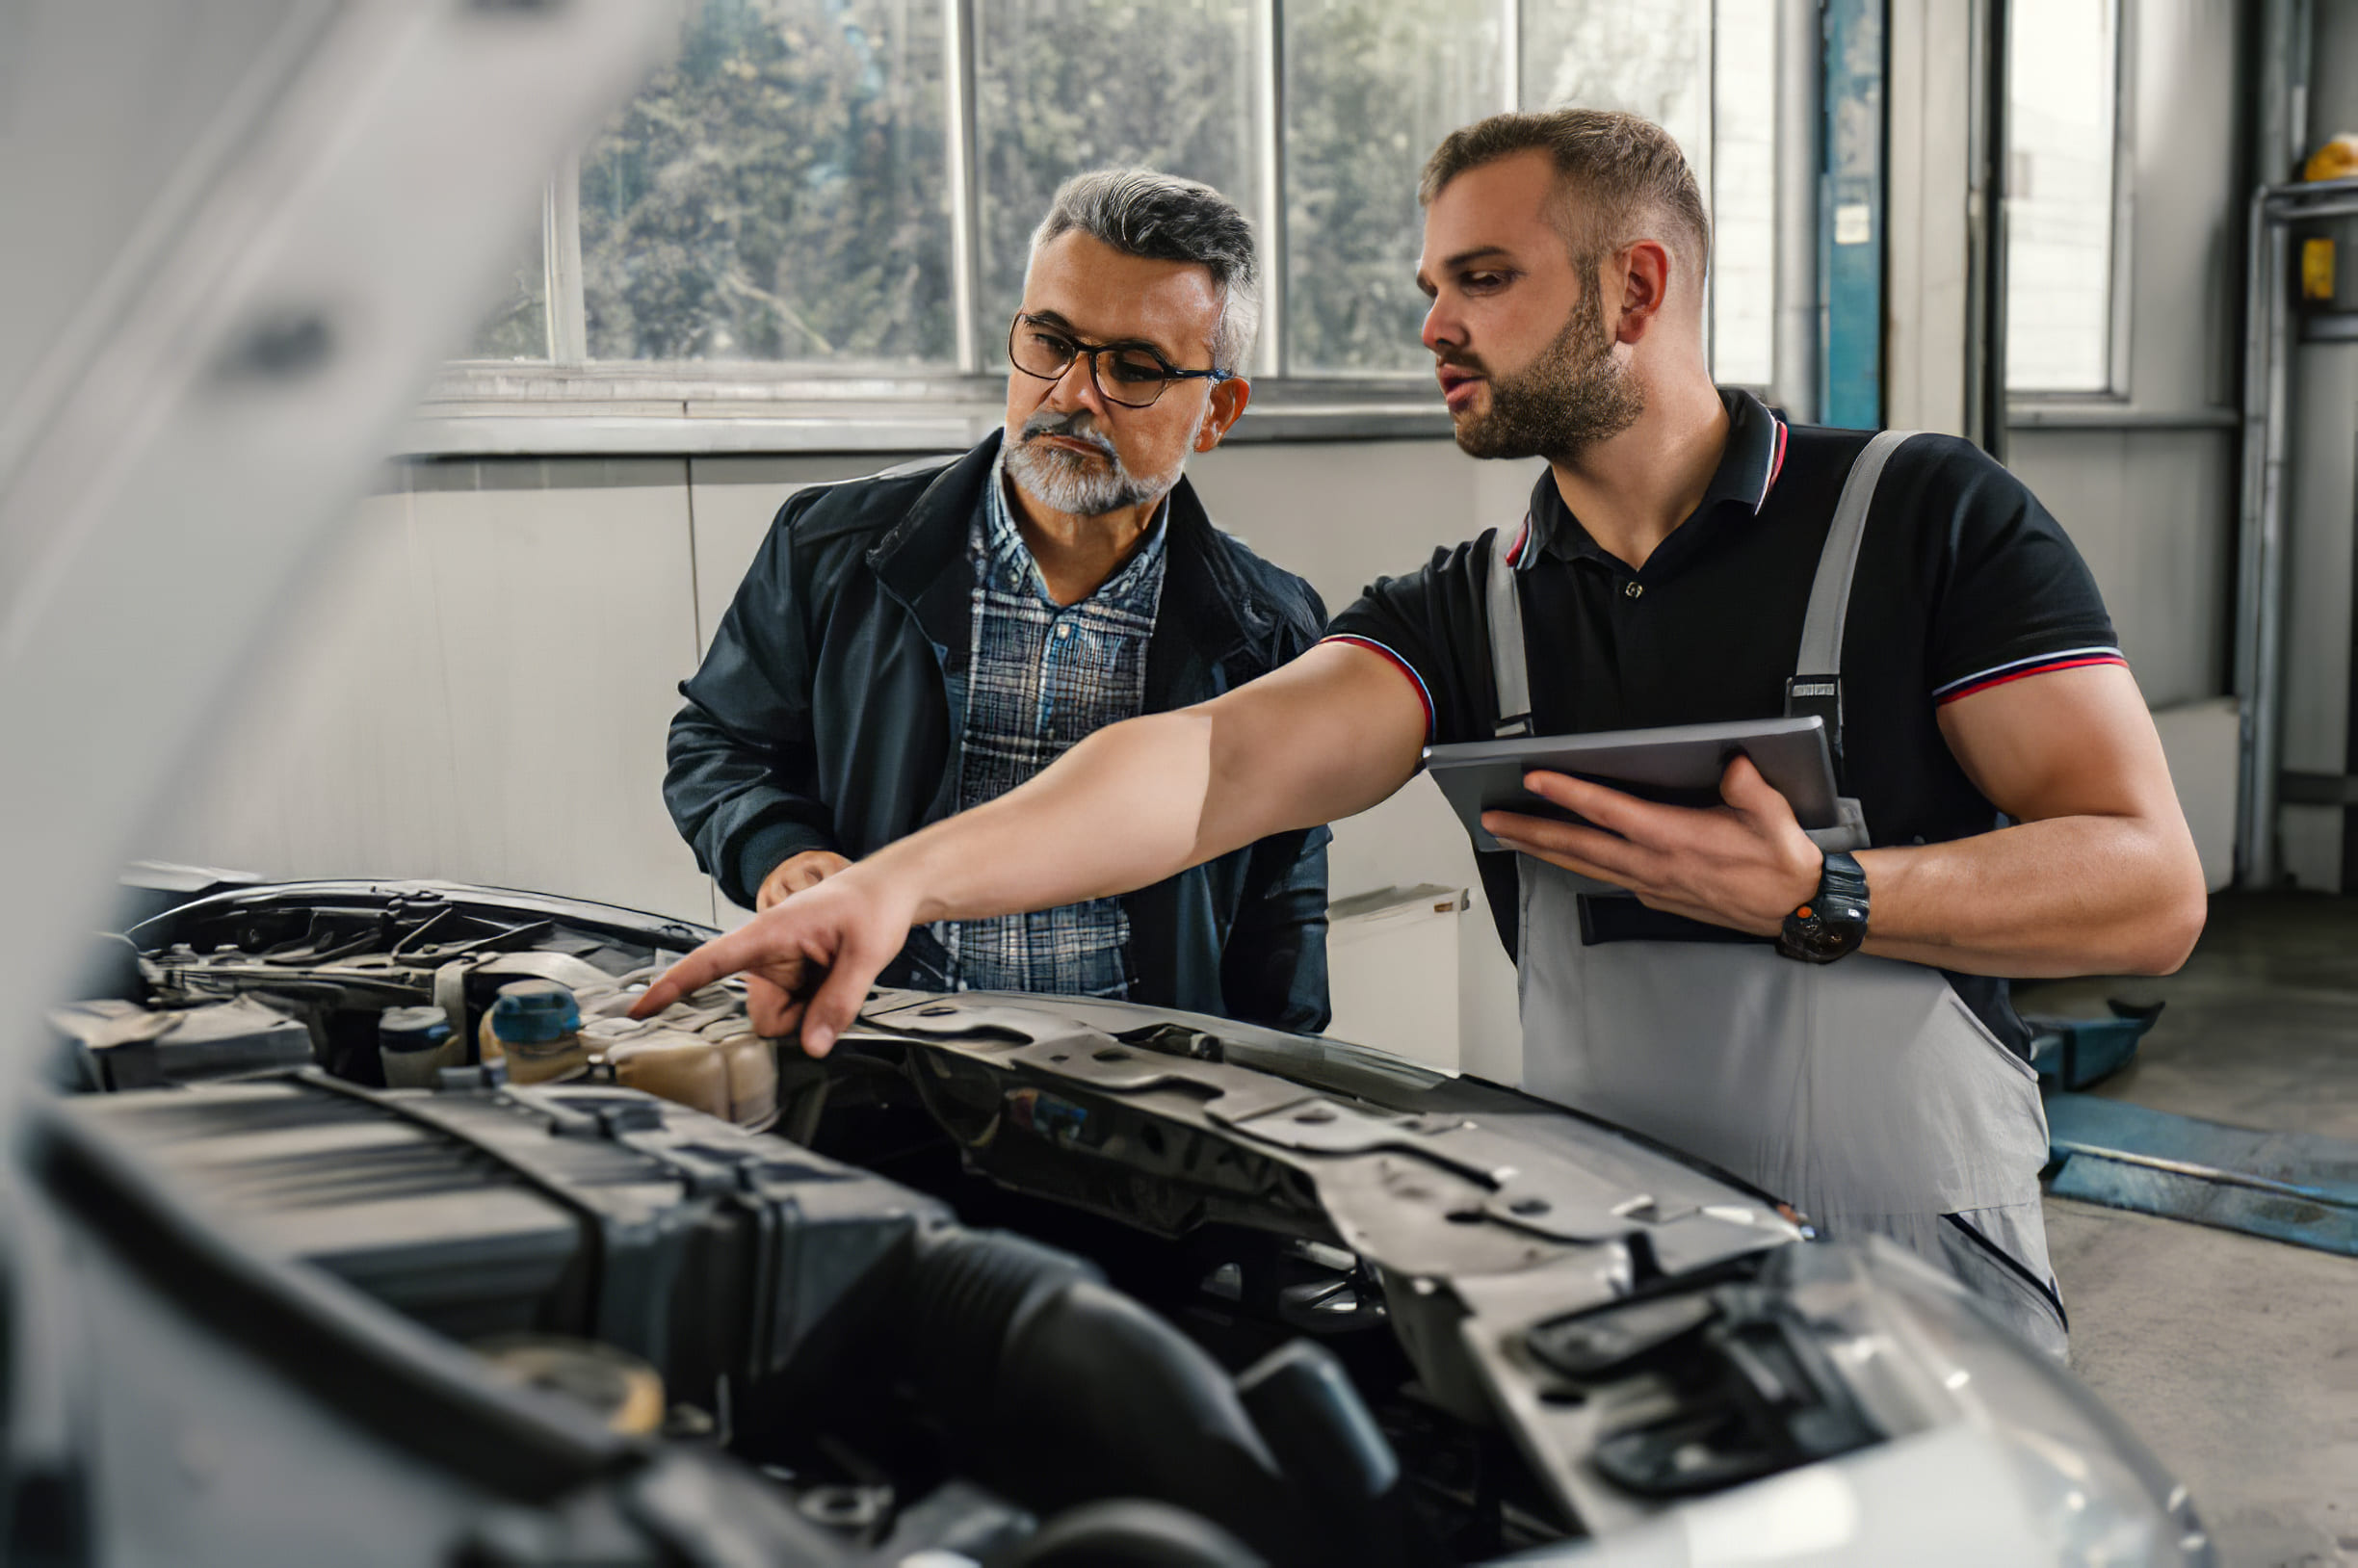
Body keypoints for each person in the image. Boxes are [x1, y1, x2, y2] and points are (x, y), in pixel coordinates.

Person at [637, 111, 2208, 1356]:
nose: (1432, 325)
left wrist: (1826, 895)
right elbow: (1204, 763)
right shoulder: (1473, 609)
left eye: (1481, 280)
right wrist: (895, 883)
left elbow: (2146, 886)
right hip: (1626, 1273)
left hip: (1921, 1267)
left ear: (1633, 287)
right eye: (1426, 288)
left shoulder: (1923, 518)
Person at [662, 169, 1331, 1032]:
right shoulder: (828, 550)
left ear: (1216, 412)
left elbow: (1282, 906)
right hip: (883, 1058)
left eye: (1133, 368)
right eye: (1051, 342)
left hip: (1144, 1091)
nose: (1072, 394)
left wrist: (1280, 1096)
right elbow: (717, 743)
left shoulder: (1269, 632)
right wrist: (780, 853)